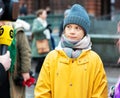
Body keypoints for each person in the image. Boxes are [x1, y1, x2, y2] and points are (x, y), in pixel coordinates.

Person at [34, 4, 108, 98]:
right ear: (64, 29)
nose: (72, 31)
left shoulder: (94, 60)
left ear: (84, 32)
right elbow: (42, 91)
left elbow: (100, 93)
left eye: (77, 28)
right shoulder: (52, 57)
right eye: (69, 27)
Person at [31, 9, 53, 80]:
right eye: (44, 14)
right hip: (40, 45)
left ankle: (42, 77)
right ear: (40, 15)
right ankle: (36, 77)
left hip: (45, 44)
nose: (46, 15)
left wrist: (49, 30)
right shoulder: (36, 21)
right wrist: (45, 28)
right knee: (40, 62)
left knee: (44, 61)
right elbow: (34, 30)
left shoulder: (44, 21)